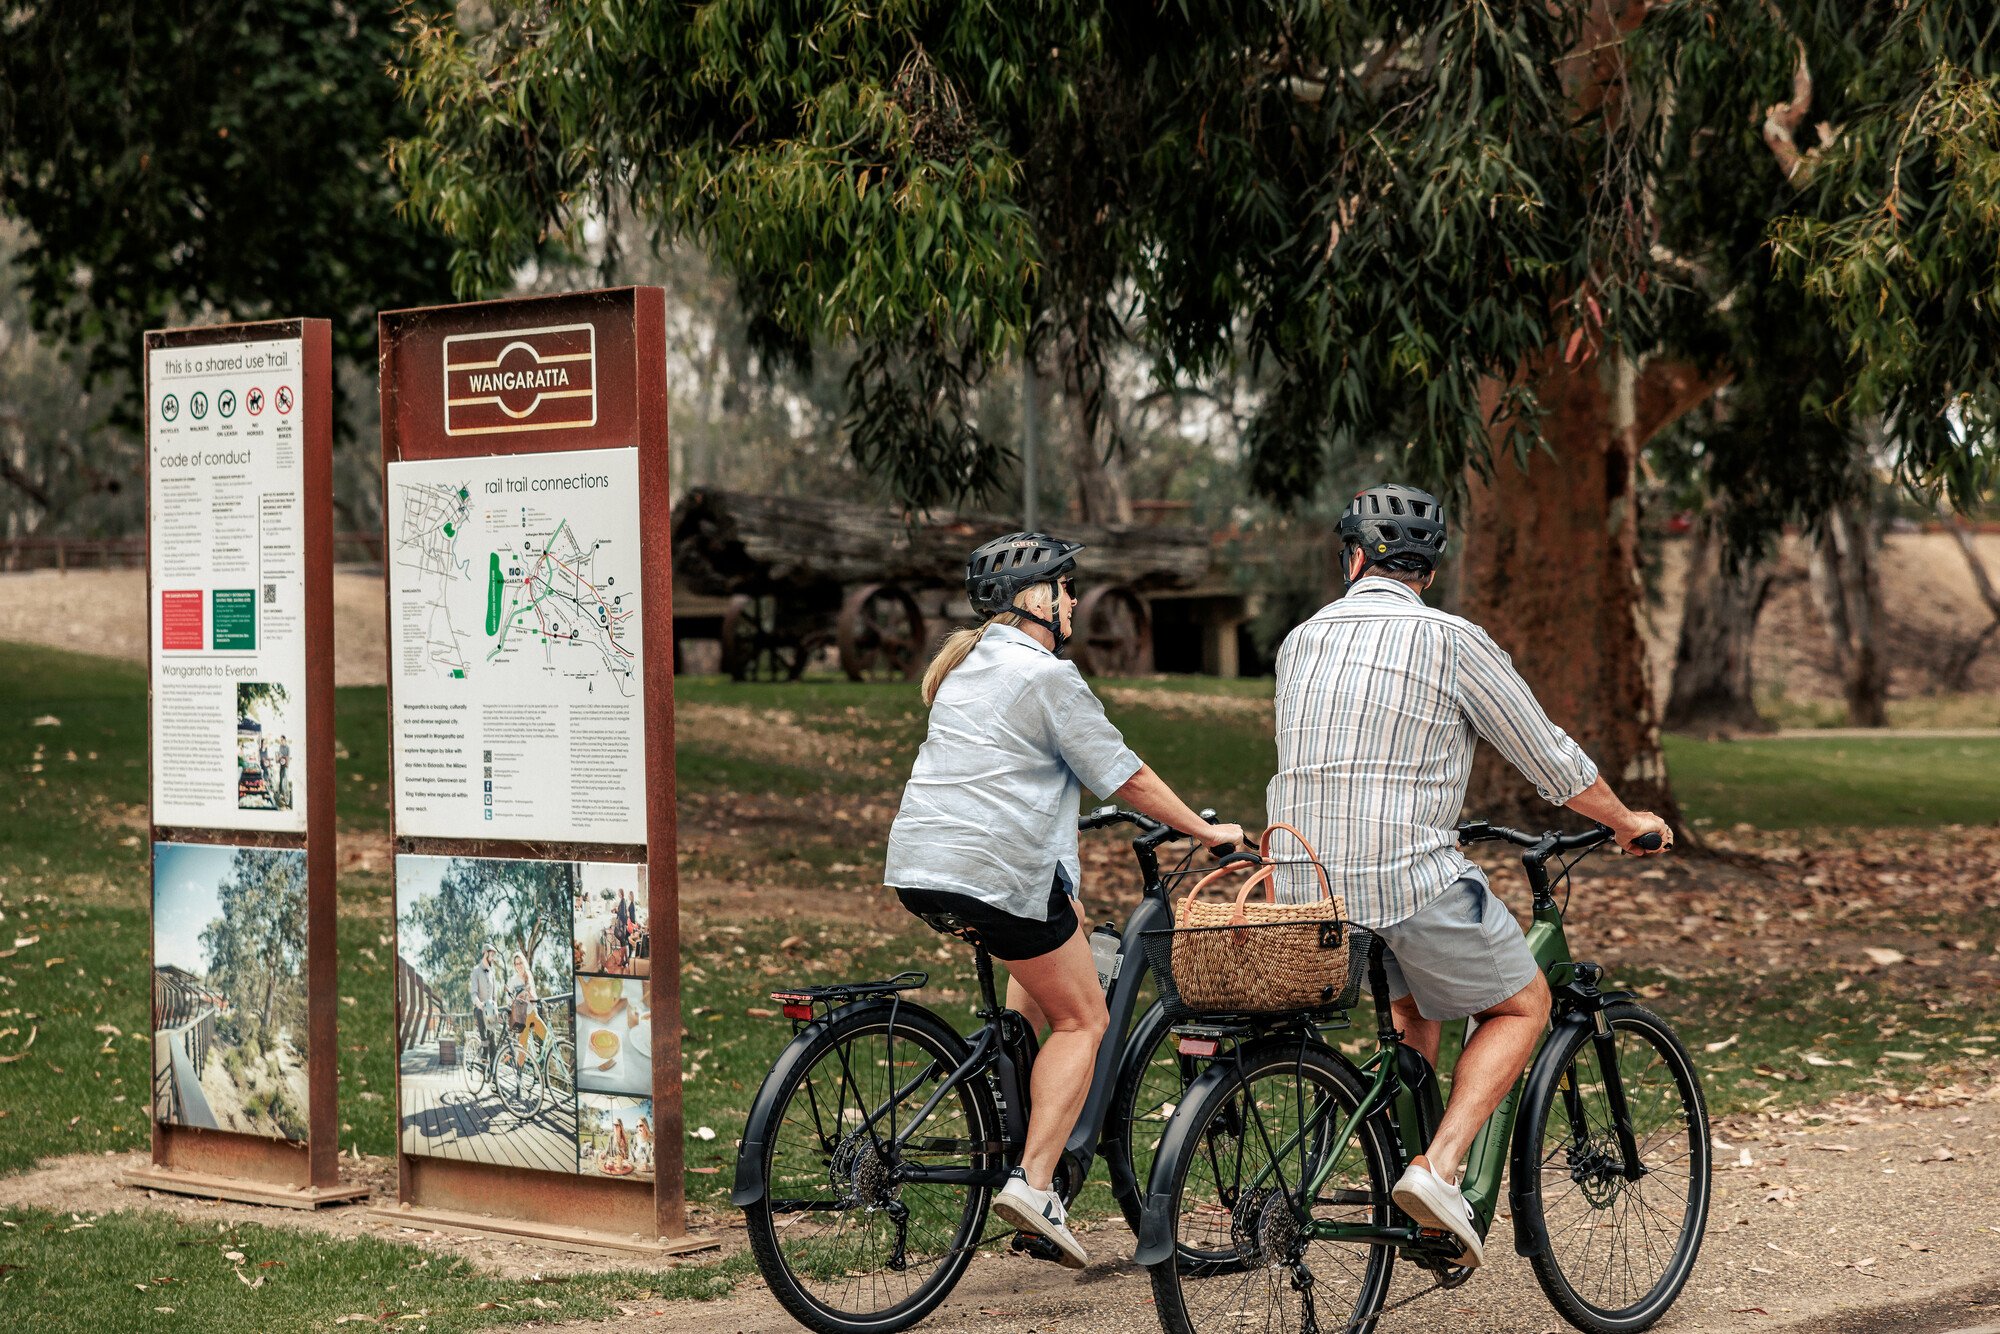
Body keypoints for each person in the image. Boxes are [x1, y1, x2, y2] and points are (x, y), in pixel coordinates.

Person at [1266, 483, 1672, 1269]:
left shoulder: (1299, 639)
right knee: (1523, 1003)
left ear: (1352, 557)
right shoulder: (1451, 639)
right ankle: (1438, 1167)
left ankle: (1422, 1219)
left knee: (1416, 1007)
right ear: (1428, 567)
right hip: (1400, 870)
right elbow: (1548, 758)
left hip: (1302, 879)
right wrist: (1626, 822)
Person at [884, 531, 1245, 1270]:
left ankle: (1011, 1100)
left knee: (1055, 936)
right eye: (1068, 587)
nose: (1076, 600)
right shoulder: (1048, 676)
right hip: (995, 872)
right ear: (1037, 599)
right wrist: (1204, 830)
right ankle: (1037, 1182)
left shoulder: (964, 669)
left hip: (923, 865)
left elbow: (1002, 773)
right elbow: (1127, 777)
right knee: (1085, 1018)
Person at [505, 949, 544, 1058]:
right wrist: (516, 999)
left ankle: (544, 1065)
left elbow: (534, 996)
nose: (518, 966)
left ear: (524, 963)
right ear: (514, 966)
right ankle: (519, 1073)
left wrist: (530, 996)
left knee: (548, 1039)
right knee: (522, 1050)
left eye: (520, 963)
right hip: (522, 1018)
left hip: (533, 1013)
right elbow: (508, 1000)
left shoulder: (529, 975)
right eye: (516, 964)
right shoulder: (513, 980)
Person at [468, 944, 499, 1051]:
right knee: (479, 1013)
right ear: (485, 953)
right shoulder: (476, 970)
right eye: (492, 955)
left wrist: (496, 1008)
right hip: (480, 1008)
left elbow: (495, 995)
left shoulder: (492, 973)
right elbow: (473, 993)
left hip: (491, 1010)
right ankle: (484, 1050)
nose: (493, 958)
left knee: (493, 1042)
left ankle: (492, 1067)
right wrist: (479, 1004)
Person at [276, 736, 292, 807]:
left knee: (285, 781)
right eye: (281, 740)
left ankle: (287, 798)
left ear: (285, 740)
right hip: (281, 765)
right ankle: (281, 794)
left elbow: (288, 757)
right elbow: (279, 755)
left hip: (286, 766)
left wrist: (284, 758)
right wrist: (278, 757)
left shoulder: (288, 748)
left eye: (282, 740)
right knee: (280, 779)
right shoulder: (280, 747)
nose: (281, 741)